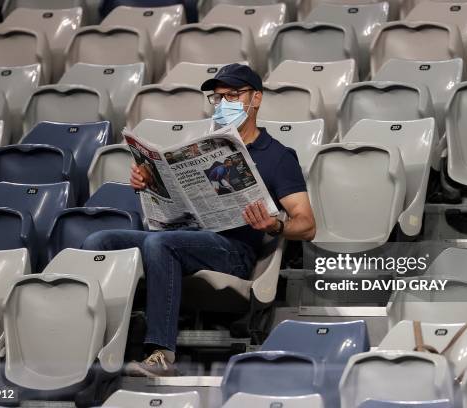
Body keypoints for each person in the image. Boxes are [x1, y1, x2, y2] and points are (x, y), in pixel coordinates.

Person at [81, 63, 316, 377]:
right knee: (100, 241)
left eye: (233, 95)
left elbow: (308, 224)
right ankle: (91, 345)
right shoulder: (201, 148)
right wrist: (148, 182)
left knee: (163, 244)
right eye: (218, 98)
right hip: (188, 236)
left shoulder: (278, 156)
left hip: (234, 250)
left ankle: (161, 354)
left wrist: (276, 225)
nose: (223, 104)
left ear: (256, 99)